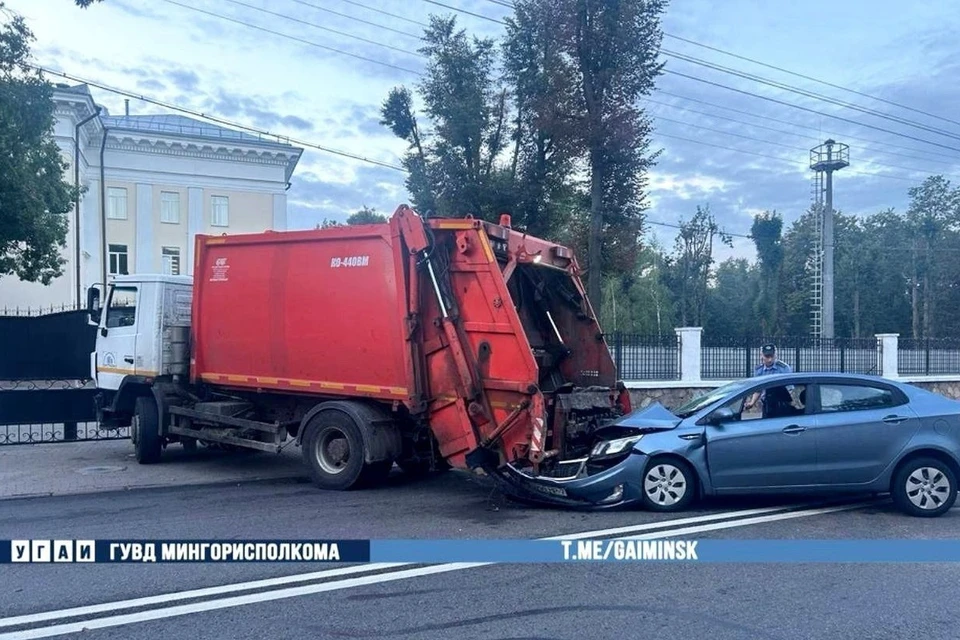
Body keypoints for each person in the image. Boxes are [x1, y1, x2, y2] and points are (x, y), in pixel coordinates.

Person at [743, 343, 796, 414]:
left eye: (772, 356)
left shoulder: (784, 368)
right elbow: (758, 390)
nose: (770, 359)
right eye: (767, 356)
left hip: (782, 404)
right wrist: (752, 403)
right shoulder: (759, 370)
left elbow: (790, 389)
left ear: (776, 355)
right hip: (767, 405)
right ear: (761, 356)